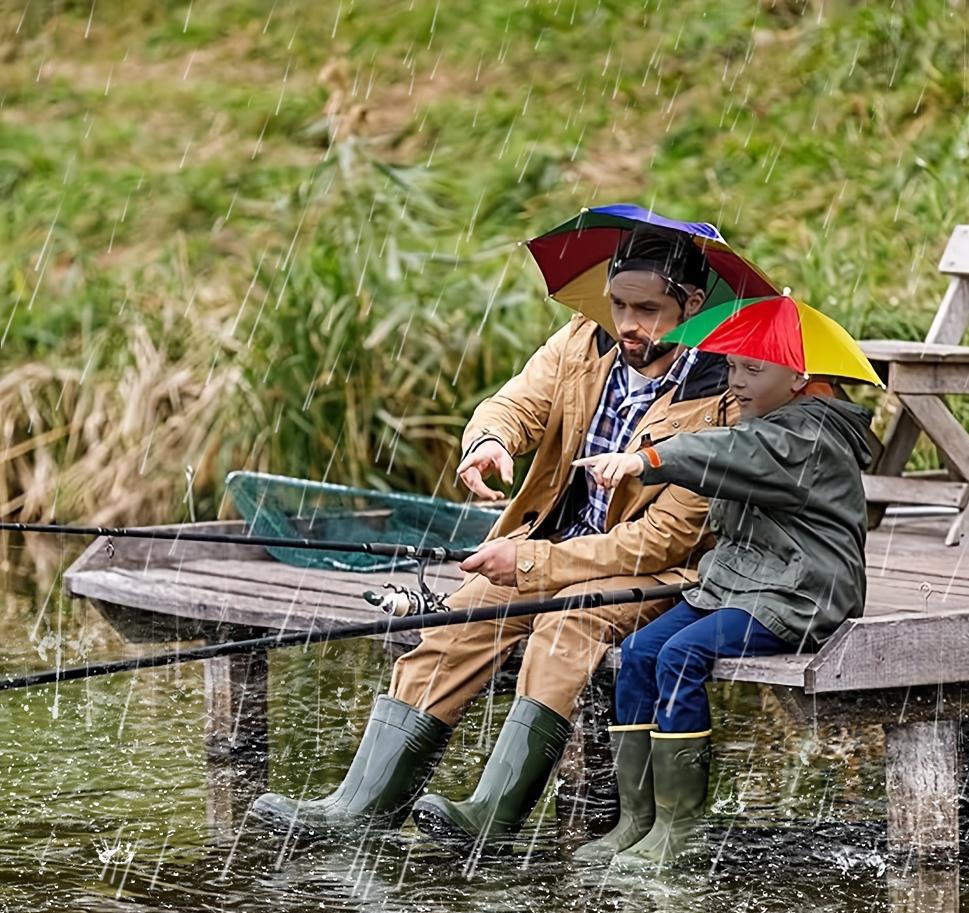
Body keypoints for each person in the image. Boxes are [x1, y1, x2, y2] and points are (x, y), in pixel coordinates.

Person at [251, 227, 738, 855]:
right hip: (551, 543)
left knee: (566, 625)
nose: (627, 323)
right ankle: (360, 808)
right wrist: (489, 442)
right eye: (619, 304)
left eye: (648, 310)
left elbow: (666, 539)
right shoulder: (580, 343)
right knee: (461, 615)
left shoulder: (720, 396)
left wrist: (533, 561)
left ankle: (494, 814)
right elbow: (516, 404)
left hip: (650, 572)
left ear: (691, 304)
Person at [572, 356, 872, 866]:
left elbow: (728, 453)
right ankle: (635, 820)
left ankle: (677, 828)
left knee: (681, 655)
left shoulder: (806, 435)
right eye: (733, 367)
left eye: (754, 371)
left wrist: (646, 460)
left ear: (800, 378)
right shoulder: (761, 422)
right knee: (640, 651)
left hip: (802, 593)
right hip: (740, 583)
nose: (736, 381)